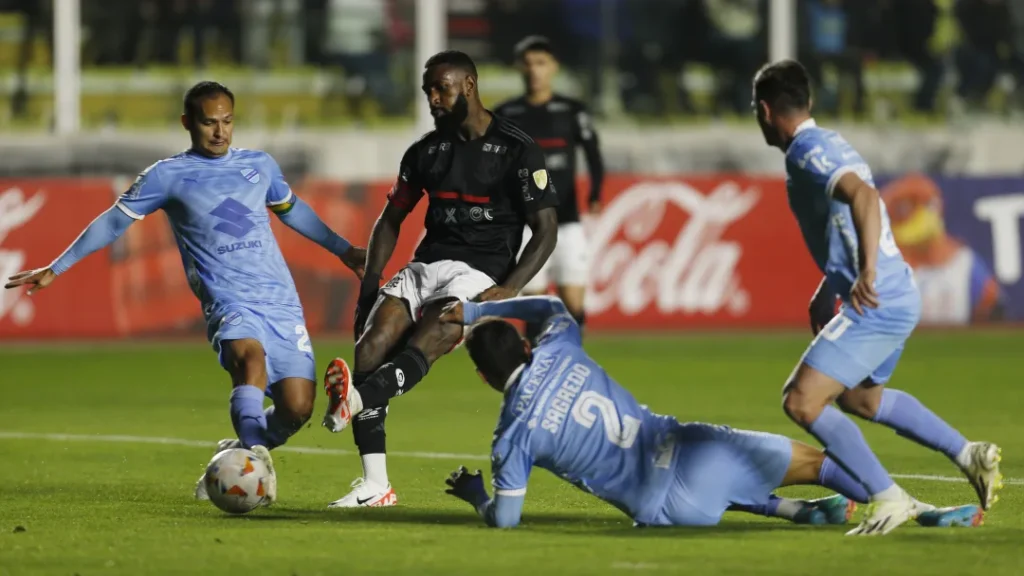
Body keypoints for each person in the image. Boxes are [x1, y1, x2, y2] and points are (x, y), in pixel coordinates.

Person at [3, 81, 365, 505]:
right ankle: (253, 460)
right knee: (249, 359)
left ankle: (236, 453)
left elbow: (293, 211)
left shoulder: (259, 166)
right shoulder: (167, 175)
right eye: (209, 123)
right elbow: (114, 222)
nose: (220, 131)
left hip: (281, 301)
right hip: (228, 301)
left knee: (298, 407)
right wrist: (57, 267)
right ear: (187, 123)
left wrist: (344, 251)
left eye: (227, 121)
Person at [433, 295, 983, 531]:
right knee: (818, 462)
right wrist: (480, 308)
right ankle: (919, 510)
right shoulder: (558, 347)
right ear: (526, 347)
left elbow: (506, 519)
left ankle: (797, 513)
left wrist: (476, 495)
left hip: (666, 511)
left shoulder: (510, 437)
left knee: (712, 491)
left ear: (483, 379)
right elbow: (551, 305)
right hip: (691, 454)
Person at [751, 59, 1002, 535]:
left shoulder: (806, 150)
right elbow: (848, 218)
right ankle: (968, 453)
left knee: (802, 401)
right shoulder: (828, 142)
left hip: (877, 299)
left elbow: (864, 198)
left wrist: (865, 273)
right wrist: (831, 285)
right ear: (808, 101)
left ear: (764, 111)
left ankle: (888, 498)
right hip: (896, 293)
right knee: (862, 400)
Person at [320, 50, 559, 508]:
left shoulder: (517, 149)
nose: (432, 98)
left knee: (430, 336)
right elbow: (391, 220)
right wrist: (370, 285)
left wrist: (510, 287)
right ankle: (376, 485)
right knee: (369, 347)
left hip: (480, 272)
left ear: (469, 85)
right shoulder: (425, 152)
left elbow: (546, 231)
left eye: (441, 89)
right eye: (428, 91)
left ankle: (353, 401)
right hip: (425, 266)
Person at [495, 36, 604, 342]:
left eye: (541, 63)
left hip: (566, 220)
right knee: (534, 304)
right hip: (526, 224)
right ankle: (536, 363)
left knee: (574, 305)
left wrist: (595, 193)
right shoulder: (505, 114)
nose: (534, 70)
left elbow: (594, 155)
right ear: (519, 67)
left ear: (554, 66)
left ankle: (570, 359)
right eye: (528, 63)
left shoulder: (572, 111)